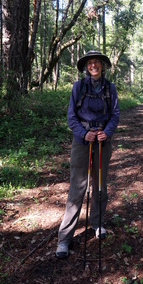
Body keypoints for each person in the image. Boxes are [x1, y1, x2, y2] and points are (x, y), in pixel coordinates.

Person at [56, 50, 120, 259]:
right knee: (77, 188)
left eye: (97, 63)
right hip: (81, 143)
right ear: (86, 67)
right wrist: (85, 134)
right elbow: (71, 117)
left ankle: (98, 224)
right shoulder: (78, 87)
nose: (93, 66)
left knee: (100, 186)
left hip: (103, 142)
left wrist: (106, 133)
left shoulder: (110, 88)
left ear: (102, 65)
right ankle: (64, 239)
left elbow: (115, 115)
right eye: (90, 63)